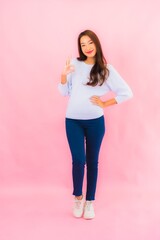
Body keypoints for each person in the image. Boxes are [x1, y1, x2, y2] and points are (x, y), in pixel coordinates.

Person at [58, 30, 133, 220]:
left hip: (95, 123)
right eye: (83, 44)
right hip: (73, 121)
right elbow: (63, 92)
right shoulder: (74, 64)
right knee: (78, 160)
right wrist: (63, 75)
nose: (87, 47)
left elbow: (126, 93)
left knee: (92, 162)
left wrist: (105, 103)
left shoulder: (106, 69)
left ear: (96, 44)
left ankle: (90, 201)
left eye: (90, 43)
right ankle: (78, 197)